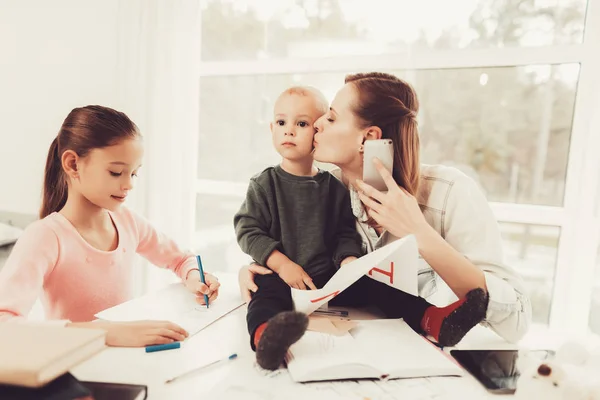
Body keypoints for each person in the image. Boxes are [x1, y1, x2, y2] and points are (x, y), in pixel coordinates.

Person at [239, 72, 532, 344]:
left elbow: (516, 323)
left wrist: (418, 232)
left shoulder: (450, 192)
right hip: (351, 347)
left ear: (368, 137)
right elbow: (277, 238)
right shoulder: (326, 190)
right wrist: (261, 267)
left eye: (331, 118)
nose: (316, 124)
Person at [0, 105, 220, 347]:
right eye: (116, 172)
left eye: (134, 174)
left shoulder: (128, 222)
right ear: (73, 164)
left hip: (125, 359)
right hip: (77, 368)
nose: (128, 185)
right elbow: (5, 324)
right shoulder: (46, 237)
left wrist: (194, 277)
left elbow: (180, 259)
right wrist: (105, 333)